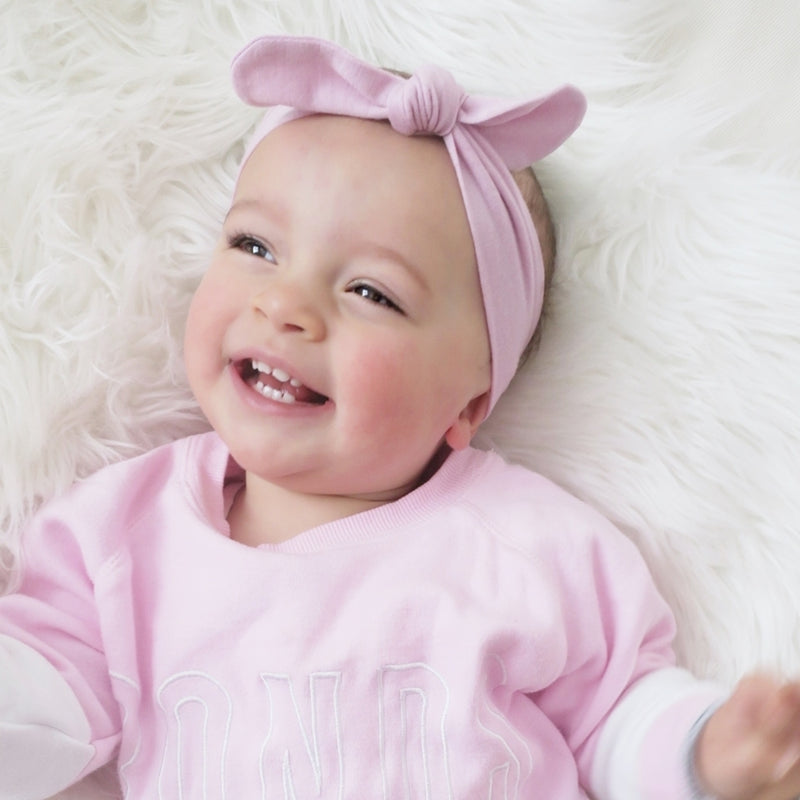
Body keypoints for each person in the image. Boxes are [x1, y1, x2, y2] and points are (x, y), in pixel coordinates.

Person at [1, 34, 799, 800]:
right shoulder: (121, 535)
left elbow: (619, 718)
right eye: (255, 245)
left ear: (470, 402)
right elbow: (40, 704)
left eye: (371, 293)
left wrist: (706, 753)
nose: (285, 305)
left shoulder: (525, 545)